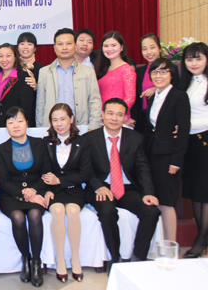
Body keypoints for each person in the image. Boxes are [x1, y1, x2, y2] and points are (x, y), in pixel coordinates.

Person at [85, 98, 160, 267]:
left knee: (152, 212)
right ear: (102, 115)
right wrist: (98, 187)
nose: (114, 118)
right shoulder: (89, 139)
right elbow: (86, 170)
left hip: (127, 188)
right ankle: (115, 258)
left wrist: (148, 193)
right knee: (107, 211)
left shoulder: (135, 138)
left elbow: (142, 168)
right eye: (110, 113)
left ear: (125, 117)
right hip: (101, 187)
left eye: (119, 115)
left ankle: (138, 258)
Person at [0, 106, 49, 287]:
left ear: (27, 123)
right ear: (6, 126)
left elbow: (46, 173)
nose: (16, 125)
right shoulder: (1, 149)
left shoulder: (40, 144)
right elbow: (3, 180)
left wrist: (34, 191)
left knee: (34, 215)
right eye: (11, 122)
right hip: (11, 194)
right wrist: (24, 194)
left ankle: (36, 262)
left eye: (19, 121)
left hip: (36, 191)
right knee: (18, 217)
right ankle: (25, 259)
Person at [42, 104, 91, 283]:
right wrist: (48, 189)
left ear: (71, 119)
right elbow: (43, 170)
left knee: (72, 211)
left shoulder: (83, 142)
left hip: (74, 188)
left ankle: (75, 258)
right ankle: (60, 259)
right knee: (57, 211)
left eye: (63, 119)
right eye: (55, 120)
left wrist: (61, 180)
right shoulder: (45, 142)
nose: (59, 124)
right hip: (53, 190)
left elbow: (85, 173)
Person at [143, 58, 190, 242]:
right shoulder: (153, 96)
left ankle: (171, 246)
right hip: (152, 154)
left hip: (169, 157)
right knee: (155, 200)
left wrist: (176, 161)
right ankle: (158, 244)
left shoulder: (179, 96)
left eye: (163, 72)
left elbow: (183, 131)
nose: (158, 76)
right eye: (155, 72)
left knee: (167, 202)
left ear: (172, 74)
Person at [36, 28, 102, 129]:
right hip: (52, 128)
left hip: (81, 127)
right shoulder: (44, 72)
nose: (64, 47)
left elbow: (95, 101)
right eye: (60, 44)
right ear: (54, 48)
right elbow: (40, 105)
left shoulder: (88, 72)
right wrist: (41, 129)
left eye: (69, 43)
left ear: (75, 46)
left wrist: (93, 128)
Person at [180, 42, 208, 257]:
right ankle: (203, 237)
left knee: (204, 193)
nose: (194, 63)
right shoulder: (186, 82)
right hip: (189, 144)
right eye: (189, 59)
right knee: (195, 193)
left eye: (198, 58)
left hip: (205, 140)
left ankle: (201, 240)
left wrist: (184, 126)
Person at [131, 34, 180, 133]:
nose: (149, 52)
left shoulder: (171, 68)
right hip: (143, 118)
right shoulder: (139, 71)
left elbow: (176, 92)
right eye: (144, 49)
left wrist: (157, 89)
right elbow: (136, 99)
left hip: (165, 117)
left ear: (160, 49)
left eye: (152, 47)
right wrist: (133, 118)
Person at [96, 31, 136, 124]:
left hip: (118, 119)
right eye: (106, 46)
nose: (109, 49)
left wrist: (116, 115)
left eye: (113, 45)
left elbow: (130, 98)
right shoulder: (102, 68)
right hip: (102, 117)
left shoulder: (126, 69)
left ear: (121, 47)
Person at [0, 43, 35, 128]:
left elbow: (27, 107)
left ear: (15, 58)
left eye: (8, 56)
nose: (4, 59)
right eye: (1, 56)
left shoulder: (23, 77)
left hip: (17, 126)